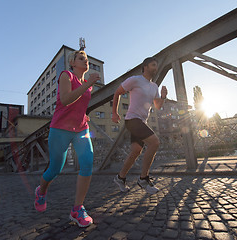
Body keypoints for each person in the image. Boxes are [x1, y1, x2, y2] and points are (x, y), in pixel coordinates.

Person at [34, 50, 100, 228]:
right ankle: (41, 191)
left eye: (87, 60)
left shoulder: (87, 84)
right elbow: (65, 100)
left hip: (81, 129)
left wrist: (84, 115)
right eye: (81, 59)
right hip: (60, 128)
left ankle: (77, 209)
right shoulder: (66, 75)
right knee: (55, 169)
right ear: (72, 63)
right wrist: (88, 85)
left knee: (87, 162)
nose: (85, 62)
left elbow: (79, 105)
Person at [112, 57, 167, 194]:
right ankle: (143, 179)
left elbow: (157, 106)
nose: (156, 67)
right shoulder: (135, 80)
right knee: (154, 142)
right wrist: (114, 113)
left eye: (157, 65)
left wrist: (163, 97)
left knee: (136, 150)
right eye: (153, 65)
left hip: (142, 122)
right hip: (132, 119)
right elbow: (117, 92)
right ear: (145, 66)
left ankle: (120, 177)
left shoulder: (154, 86)